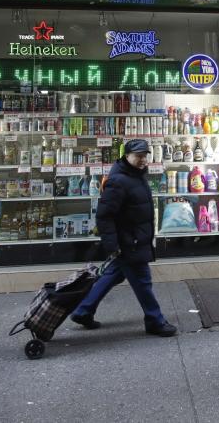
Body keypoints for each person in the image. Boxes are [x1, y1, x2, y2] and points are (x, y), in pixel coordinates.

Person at [70, 139, 177, 337]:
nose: (143, 160)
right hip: (130, 243)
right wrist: (112, 245)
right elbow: (104, 216)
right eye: (138, 156)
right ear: (126, 156)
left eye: (145, 155)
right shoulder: (119, 180)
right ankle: (155, 320)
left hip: (134, 239)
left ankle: (83, 311)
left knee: (113, 274)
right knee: (143, 281)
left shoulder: (135, 176)